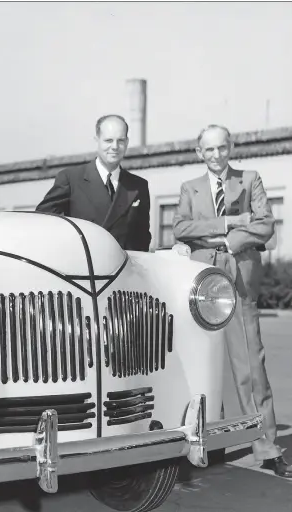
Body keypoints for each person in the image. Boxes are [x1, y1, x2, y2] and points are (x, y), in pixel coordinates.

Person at [172, 124, 291, 478]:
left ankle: (267, 446)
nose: (216, 155)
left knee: (250, 367)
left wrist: (227, 238)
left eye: (222, 148)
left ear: (232, 147)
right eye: (208, 150)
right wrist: (229, 221)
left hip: (239, 277)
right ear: (199, 152)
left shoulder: (250, 179)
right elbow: (180, 228)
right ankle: (208, 443)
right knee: (200, 364)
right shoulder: (189, 188)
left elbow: (265, 225)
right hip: (201, 282)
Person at [35, 114, 151, 251]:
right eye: (108, 140)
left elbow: (143, 238)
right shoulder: (71, 179)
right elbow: (43, 221)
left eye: (120, 141)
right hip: (82, 266)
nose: (115, 146)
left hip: (122, 269)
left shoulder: (138, 186)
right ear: (97, 140)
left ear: (127, 143)